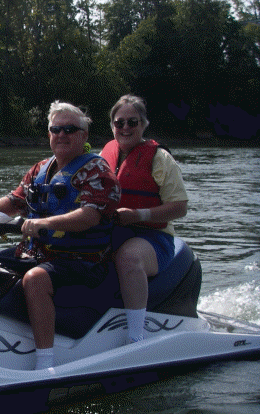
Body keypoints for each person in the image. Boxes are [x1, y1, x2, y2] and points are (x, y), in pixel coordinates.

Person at [0, 101, 120, 369]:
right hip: (35, 253)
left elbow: (90, 216)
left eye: (70, 129)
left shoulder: (97, 171)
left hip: (83, 260)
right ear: (49, 135)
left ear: (84, 135)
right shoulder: (40, 169)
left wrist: (44, 223)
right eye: (56, 129)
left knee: (35, 280)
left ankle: (45, 363)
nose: (62, 134)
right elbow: (14, 202)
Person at [100, 94, 189, 344]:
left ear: (143, 124)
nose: (126, 128)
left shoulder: (160, 159)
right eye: (120, 123)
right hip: (112, 230)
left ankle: (136, 336)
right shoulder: (104, 155)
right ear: (112, 126)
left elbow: (180, 207)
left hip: (153, 237)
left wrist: (138, 215)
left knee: (128, 257)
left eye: (133, 122)